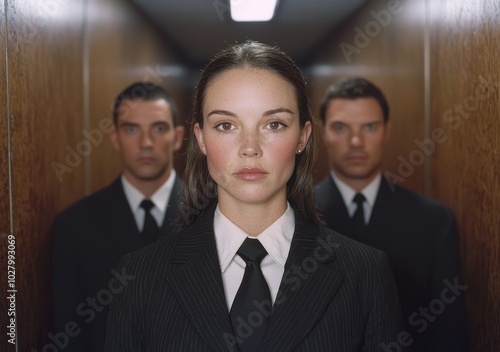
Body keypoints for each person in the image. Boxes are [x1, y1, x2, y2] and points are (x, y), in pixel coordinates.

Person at [104, 41, 404, 352]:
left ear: (302, 136)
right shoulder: (139, 277)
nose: (250, 147)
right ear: (201, 139)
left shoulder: (366, 273)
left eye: (274, 124)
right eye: (226, 125)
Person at [315, 77, 470, 352]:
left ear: (386, 131)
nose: (355, 141)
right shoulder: (293, 214)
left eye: (369, 127)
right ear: (322, 132)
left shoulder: (433, 221)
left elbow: (450, 333)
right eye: (341, 127)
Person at [51, 82, 185, 351]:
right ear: (115, 138)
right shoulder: (74, 226)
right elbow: (69, 334)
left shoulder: (213, 215)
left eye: (158, 129)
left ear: (178, 137)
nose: (146, 143)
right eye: (131, 129)